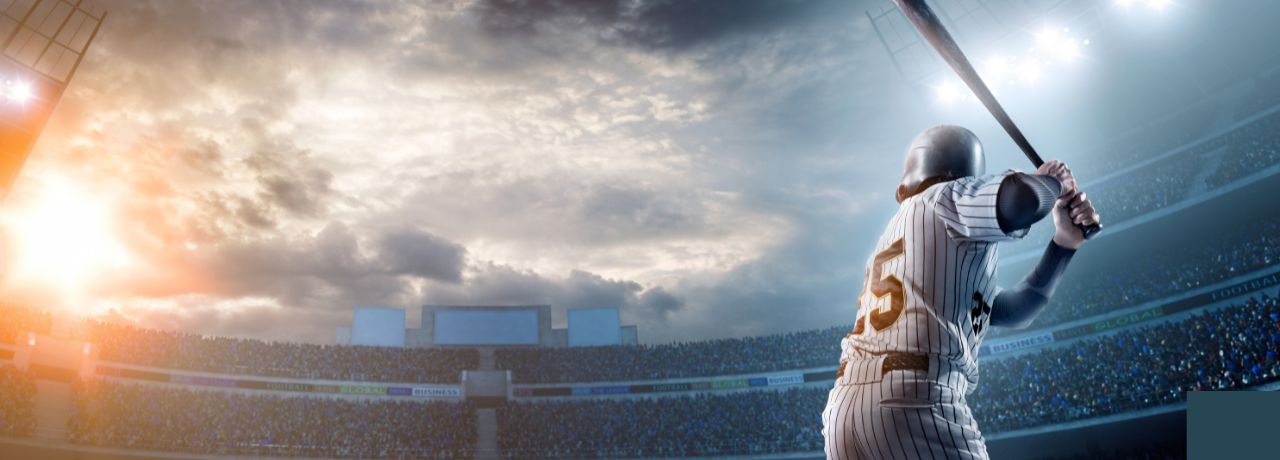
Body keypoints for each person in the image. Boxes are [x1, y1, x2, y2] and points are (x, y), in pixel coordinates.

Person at [821, 125, 1101, 459]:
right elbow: (1022, 198)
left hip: (844, 413)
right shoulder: (942, 197)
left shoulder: (912, 240)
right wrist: (1055, 181)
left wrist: (1064, 244)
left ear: (901, 188)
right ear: (964, 177)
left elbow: (1012, 310)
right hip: (913, 400)